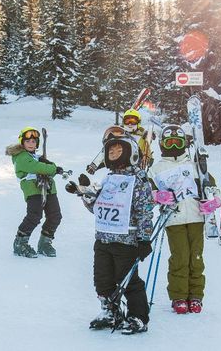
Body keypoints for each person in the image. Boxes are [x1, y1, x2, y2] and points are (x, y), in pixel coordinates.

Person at [75, 128, 154, 335]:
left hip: (126, 240)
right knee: (102, 279)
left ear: (129, 152)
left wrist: (144, 239)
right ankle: (111, 312)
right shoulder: (108, 179)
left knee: (127, 280)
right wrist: (85, 194)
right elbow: (97, 208)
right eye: (110, 150)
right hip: (103, 238)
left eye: (118, 148)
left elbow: (145, 210)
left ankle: (138, 316)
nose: (113, 152)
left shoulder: (138, 179)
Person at [148, 124, 221, 314]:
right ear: (163, 144)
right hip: (174, 219)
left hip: (196, 217)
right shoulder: (156, 169)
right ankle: (179, 296)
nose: (173, 146)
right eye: (169, 142)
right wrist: (157, 196)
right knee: (180, 257)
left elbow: (211, 187)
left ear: (184, 144)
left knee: (196, 258)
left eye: (177, 142)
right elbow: (146, 191)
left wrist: (212, 202)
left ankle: (196, 295)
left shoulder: (194, 165)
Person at [5, 127, 64, 258]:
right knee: (34, 216)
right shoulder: (21, 156)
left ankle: (45, 243)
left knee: (55, 216)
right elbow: (36, 167)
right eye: (28, 141)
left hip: (48, 188)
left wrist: (50, 167)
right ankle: (20, 243)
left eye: (34, 141)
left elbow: (45, 169)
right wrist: (52, 168)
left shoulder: (36, 157)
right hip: (33, 189)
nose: (31, 144)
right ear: (22, 143)